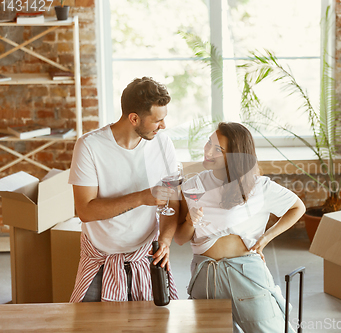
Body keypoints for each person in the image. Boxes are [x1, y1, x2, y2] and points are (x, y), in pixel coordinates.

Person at [175, 122, 306, 332]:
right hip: (206, 275)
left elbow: (297, 208)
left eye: (218, 149)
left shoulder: (259, 187)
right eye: (209, 142)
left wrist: (265, 239)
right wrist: (191, 221)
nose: (208, 151)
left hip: (246, 272)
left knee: (268, 328)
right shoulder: (192, 186)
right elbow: (180, 238)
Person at [69, 77, 179, 302]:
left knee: (155, 325)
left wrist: (166, 241)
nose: (164, 126)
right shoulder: (90, 146)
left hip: (147, 256)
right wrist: (142, 198)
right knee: (87, 326)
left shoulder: (163, 144)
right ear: (134, 118)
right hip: (100, 260)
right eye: (158, 120)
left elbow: (173, 203)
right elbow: (85, 211)